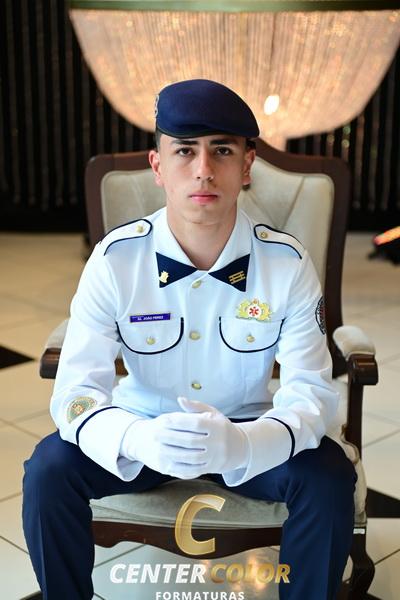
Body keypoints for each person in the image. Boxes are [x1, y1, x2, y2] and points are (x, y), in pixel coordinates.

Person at [23, 79, 356, 600]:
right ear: (158, 167)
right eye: (184, 151)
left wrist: (245, 442)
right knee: (48, 469)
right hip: (143, 430)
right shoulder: (115, 260)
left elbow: (310, 393)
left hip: (246, 432)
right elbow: (75, 394)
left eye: (222, 151)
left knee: (328, 475)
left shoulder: (287, 264)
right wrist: (136, 438)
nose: (203, 169)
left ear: (246, 165)